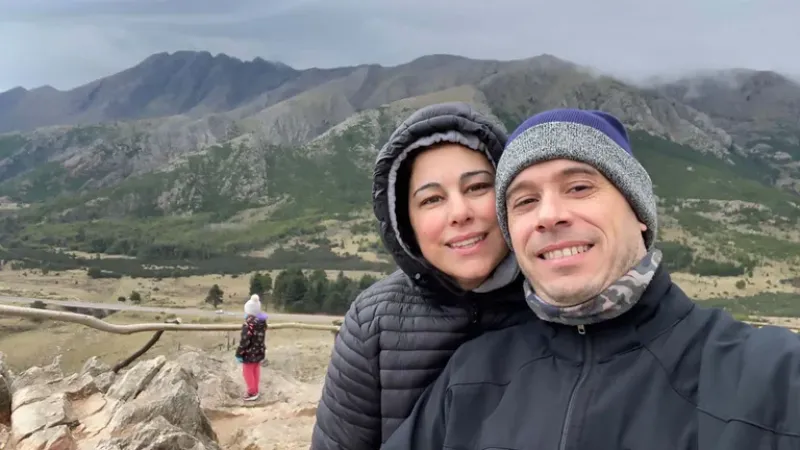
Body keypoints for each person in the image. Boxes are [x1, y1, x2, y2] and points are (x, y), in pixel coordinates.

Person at [381, 108, 800, 449]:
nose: (548, 215)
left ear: (638, 213)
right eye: (525, 201)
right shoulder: (470, 379)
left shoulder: (772, 374)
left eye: (579, 187)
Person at [311, 102, 534, 449]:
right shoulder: (373, 322)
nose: (459, 213)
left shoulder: (557, 304)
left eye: (477, 188)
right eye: (431, 199)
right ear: (406, 223)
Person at [235, 294, 268, 401]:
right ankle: (256, 389)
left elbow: (244, 341)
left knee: (247, 372)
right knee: (255, 370)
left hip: (249, 354)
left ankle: (251, 392)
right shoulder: (262, 323)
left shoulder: (248, 325)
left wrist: (239, 353)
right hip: (259, 351)